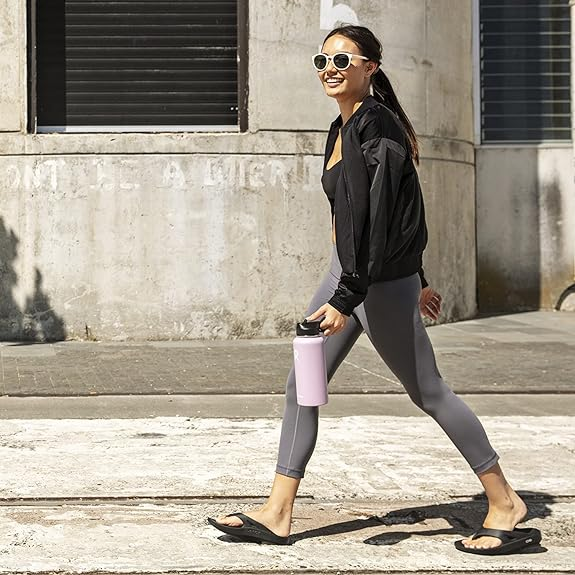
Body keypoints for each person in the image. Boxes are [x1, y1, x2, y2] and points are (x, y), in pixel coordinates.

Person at [208, 25, 540, 556]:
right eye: (323, 61)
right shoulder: (340, 128)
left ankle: (505, 502)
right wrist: (398, 280)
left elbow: (383, 217)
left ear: (370, 68)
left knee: (428, 391)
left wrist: (354, 295)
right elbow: (361, 216)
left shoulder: (378, 126)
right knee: (303, 385)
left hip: (375, 285)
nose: (330, 69)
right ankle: (277, 512)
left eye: (343, 60)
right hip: (347, 274)